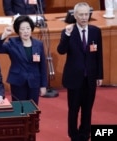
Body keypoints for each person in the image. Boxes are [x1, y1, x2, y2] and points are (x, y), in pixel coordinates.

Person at [57, 2, 103, 141]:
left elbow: (99, 55)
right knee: (74, 109)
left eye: (86, 14)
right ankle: (73, 134)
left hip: (90, 77)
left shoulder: (96, 31)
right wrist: (66, 34)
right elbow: (61, 50)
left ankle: (85, 134)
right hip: (74, 78)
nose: (84, 17)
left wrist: (100, 75)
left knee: (87, 109)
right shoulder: (69, 31)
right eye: (81, 14)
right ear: (75, 15)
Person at [0, 15, 47, 105]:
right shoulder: (12, 43)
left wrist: (43, 85)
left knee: (33, 108)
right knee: (19, 108)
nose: (26, 31)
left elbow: (43, 66)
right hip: (18, 81)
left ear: (31, 29)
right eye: (22, 29)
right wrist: (4, 35)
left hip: (34, 81)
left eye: (28, 28)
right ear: (18, 30)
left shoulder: (38, 44)